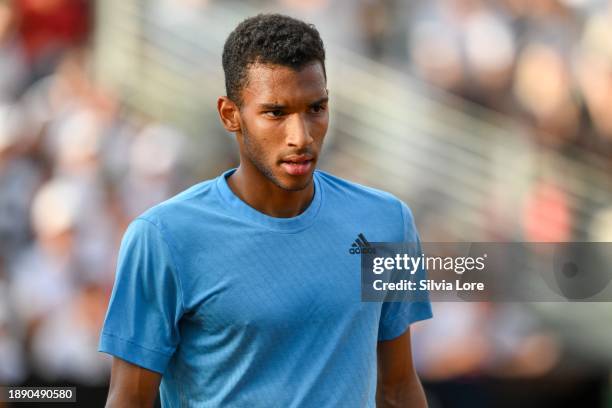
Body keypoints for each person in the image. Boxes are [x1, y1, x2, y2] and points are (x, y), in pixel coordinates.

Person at [99, 13, 432, 407]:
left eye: (316, 108)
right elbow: (129, 400)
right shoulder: (162, 237)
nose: (301, 136)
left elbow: (398, 388)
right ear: (230, 115)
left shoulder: (388, 221)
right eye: (276, 113)